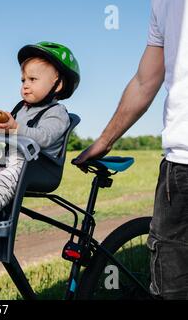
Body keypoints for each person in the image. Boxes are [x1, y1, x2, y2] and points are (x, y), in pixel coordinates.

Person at [73, 0, 188, 300]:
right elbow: (144, 80)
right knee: (171, 290)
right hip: (180, 165)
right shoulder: (162, 3)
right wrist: (105, 140)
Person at [0, 41, 80, 234]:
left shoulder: (57, 112)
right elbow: (11, 137)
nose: (26, 86)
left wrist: (15, 128)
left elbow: (44, 138)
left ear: (58, 84)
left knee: (12, 170)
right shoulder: (21, 108)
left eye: (33, 79)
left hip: (39, 167)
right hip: (10, 158)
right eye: (23, 80)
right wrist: (1, 130)